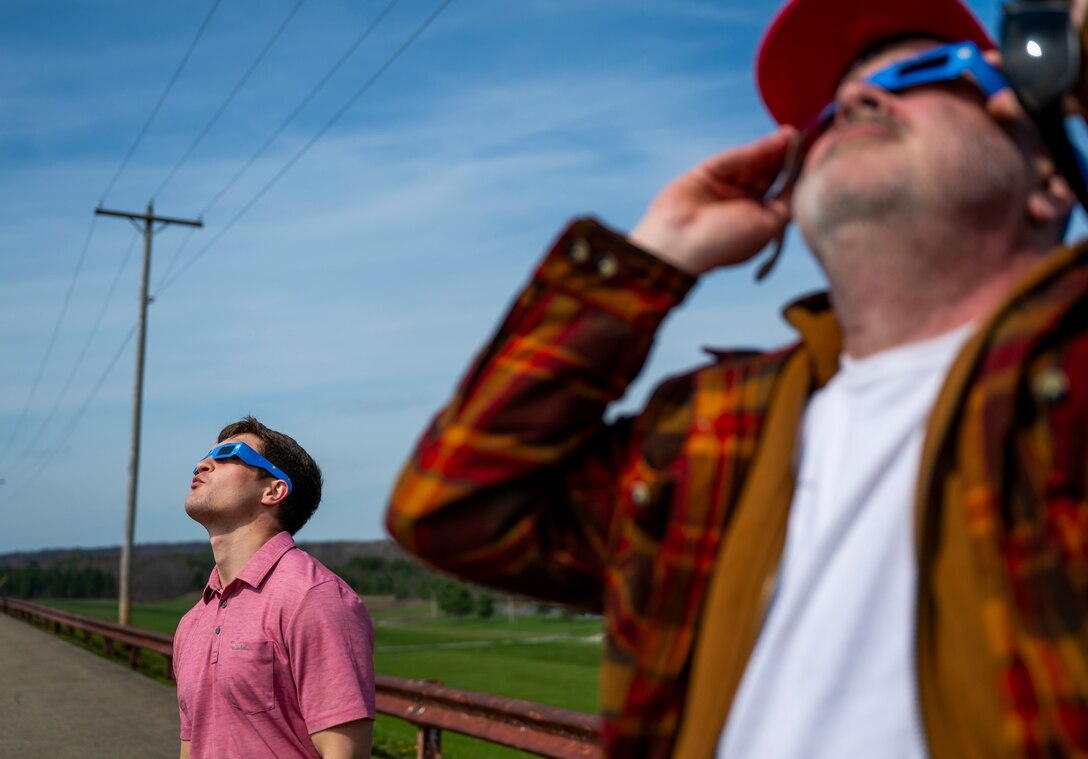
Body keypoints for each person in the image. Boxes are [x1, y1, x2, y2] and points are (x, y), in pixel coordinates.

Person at [386, 0, 1088, 756]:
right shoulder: (710, 425)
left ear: (1048, 177)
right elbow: (451, 507)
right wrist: (655, 255)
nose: (854, 98)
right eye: (830, 111)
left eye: (919, 73)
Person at [175, 416, 375, 759]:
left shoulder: (315, 596)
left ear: (274, 490)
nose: (202, 464)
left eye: (227, 455)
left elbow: (345, 752)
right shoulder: (192, 621)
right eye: (207, 456)